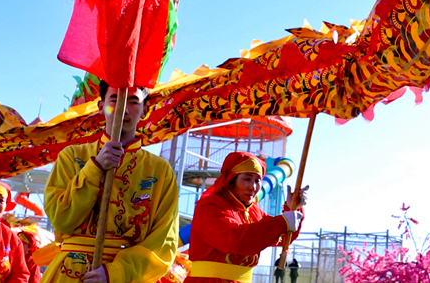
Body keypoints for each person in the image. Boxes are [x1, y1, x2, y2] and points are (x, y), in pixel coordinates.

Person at [43, 83, 179, 283]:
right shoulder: (71, 156)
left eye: (133, 101)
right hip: (67, 273)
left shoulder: (160, 171)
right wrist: (95, 167)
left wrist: (114, 273)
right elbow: (61, 219)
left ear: (145, 110)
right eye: (115, 100)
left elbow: (164, 243)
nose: (123, 109)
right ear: (101, 107)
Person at [186, 152, 307, 283]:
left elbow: (282, 238)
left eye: (258, 180)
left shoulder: (254, 210)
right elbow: (234, 241)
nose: (253, 187)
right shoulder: (211, 206)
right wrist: (282, 222)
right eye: (247, 179)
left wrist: (292, 208)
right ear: (231, 179)